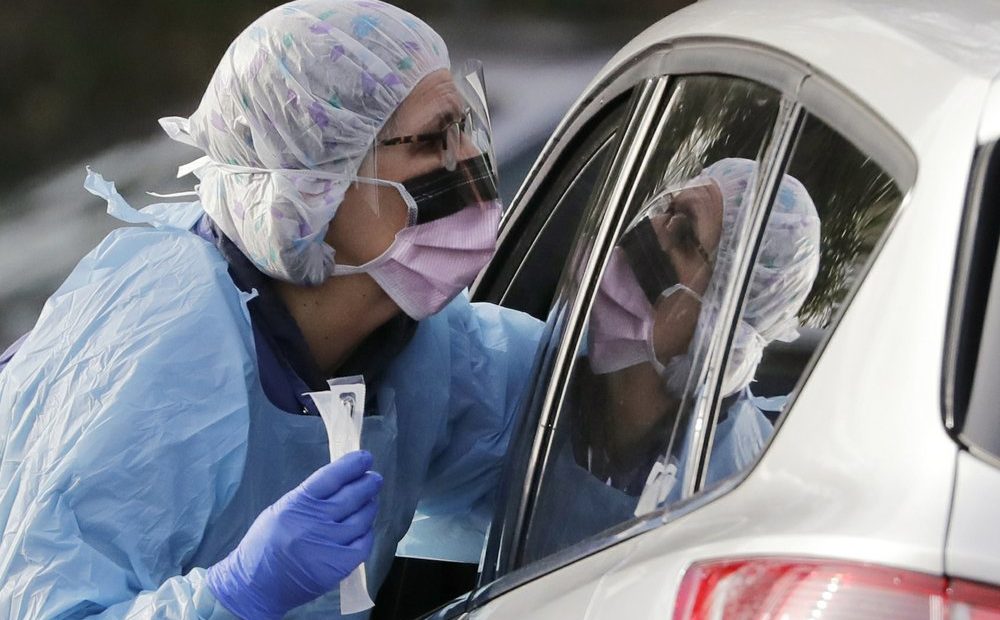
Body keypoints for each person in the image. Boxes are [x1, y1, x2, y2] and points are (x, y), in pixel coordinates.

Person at [0, 2, 543, 618]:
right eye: (434, 139)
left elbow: (559, 440)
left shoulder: (416, 339)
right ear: (315, 182)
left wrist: (644, 327)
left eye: (468, 125)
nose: (468, 158)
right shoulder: (163, 356)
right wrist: (232, 594)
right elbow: (43, 604)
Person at [523, 158, 821, 560]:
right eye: (665, 208)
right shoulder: (533, 380)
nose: (649, 233)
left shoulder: (738, 507)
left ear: (719, 327)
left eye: (682, 234)